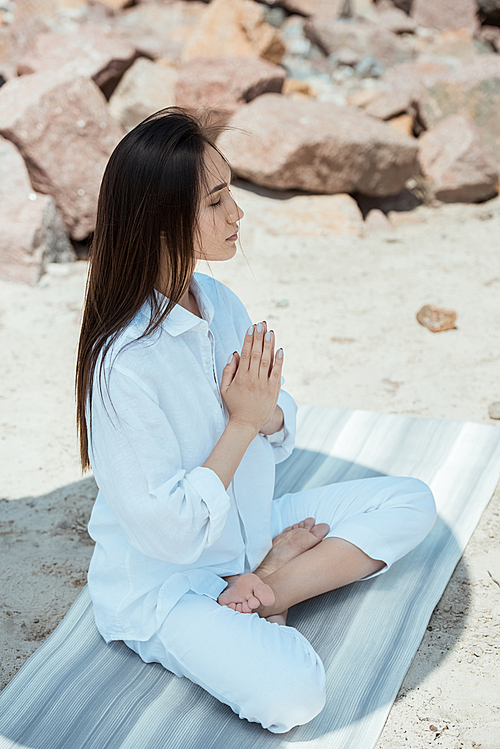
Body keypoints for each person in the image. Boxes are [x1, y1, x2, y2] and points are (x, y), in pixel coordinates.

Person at [76, 107, 437, 734]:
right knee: (292, 695)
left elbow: (280, 430)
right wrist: (241, 423)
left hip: (247, 533)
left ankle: (268, 585)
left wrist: (264, 414)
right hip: (170, 581)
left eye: (231, 194)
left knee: (412, 502)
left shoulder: (218, 302)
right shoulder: (124, 365)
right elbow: (170, 534)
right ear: (164, 221)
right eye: (217, 202)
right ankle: (263, 591)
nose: (237, 214)